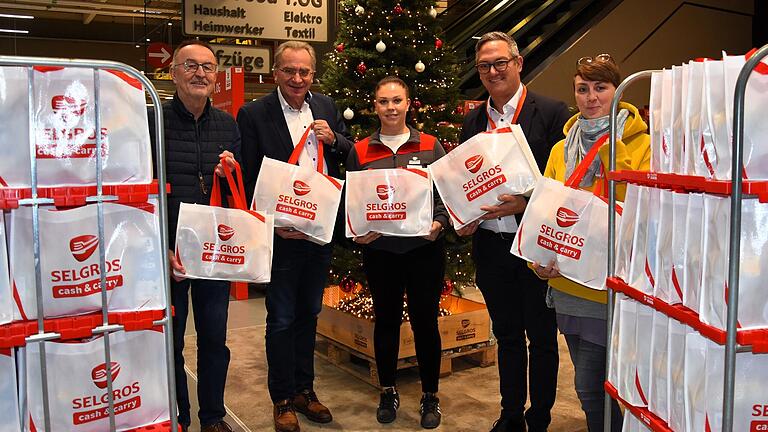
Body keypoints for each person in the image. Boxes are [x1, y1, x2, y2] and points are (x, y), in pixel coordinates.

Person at [237, 40, 353, 432]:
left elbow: (349, 157)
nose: (297, 78)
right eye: (289, 71)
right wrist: (270, 225)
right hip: (282, 236)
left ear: (312, 74)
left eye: (304, 72)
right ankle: (282, 398)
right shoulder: (253, 114)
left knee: (310, 315)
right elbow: (251, 175)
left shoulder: (326, 107)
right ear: (275, 73)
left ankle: (306, 391)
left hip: (319, 234)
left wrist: (334, 140)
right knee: (281, 320)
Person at [457, 32, 570, 432]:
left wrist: (526, 205)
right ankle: (509, 415)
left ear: (518, 63)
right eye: (484, 65)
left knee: (541, 338)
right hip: (491, 246)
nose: (492, 71)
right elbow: (462, 181)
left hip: (536, 247)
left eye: (499, 62)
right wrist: (463, 217)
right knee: (506, 336)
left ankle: (538, 418)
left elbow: (565, 186)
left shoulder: (554, 113)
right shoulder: (472, 120)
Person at [531, 54, 650, 432]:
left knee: (592, 386)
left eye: (601, 87)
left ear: (618, 91)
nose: (591, 97)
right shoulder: (559, 150)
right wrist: (537, 260)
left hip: (610, 285)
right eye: (583, 89)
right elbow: (546, 213)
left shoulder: (643, 144)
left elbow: (643, 210)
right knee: (593, 384)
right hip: (566, 282)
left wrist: (613, 156)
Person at [345, 76, 448, 429]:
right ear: (374, 105)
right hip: (382, 252)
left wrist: (439, 223)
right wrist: (358, 231)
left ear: (408, 104)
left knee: (425, 323)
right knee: (386, 321)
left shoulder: (431, 146)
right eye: (383, 101)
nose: (390, 107)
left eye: (397, 101)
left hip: (424, 250)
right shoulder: (360, 151)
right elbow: (352, 202)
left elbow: (446, 195)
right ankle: (387, 390)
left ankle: (430, 395)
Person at [150, 39, 240, 432]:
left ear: (216, 75)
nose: (200, 73)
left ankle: (213, 417)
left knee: (214, 341)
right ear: (173, 73)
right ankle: (179, 416)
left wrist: (231, 173)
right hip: (166, 254)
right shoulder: (152, 120)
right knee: (169, 342)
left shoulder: (228, 124)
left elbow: (240, 190)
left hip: (213, 253)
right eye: (191, 66)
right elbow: (141, 189)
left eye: (207, 66)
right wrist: (158, 248)